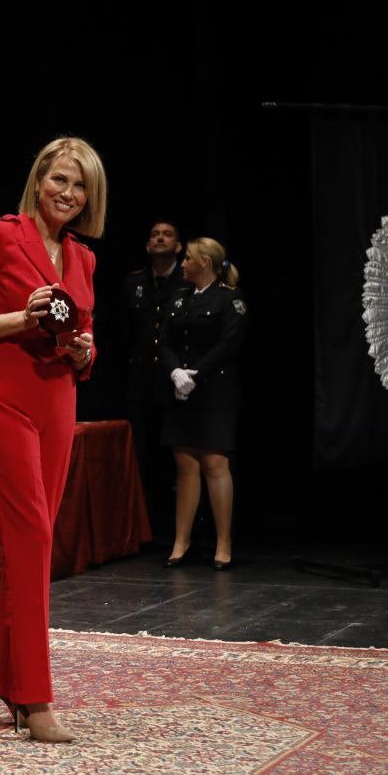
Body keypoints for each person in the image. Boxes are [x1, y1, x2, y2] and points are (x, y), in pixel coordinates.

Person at [0, 137, 105, 743]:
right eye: (60, 179)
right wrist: (23, 320)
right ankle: (36, 699)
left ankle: (7, 686)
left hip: (58, 397)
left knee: (34, 544)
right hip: (3, 394)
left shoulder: (83, 259)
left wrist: (84, 348)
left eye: (80, 185)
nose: (68, 193)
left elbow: (83, 336)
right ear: (39, 179)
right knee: (32, 535)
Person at [160, 237, 245, 570]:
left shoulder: (230, 299)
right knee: (186, 467)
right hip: (181, 390)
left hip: (215, 391)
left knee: (214, 465)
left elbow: (230, 343)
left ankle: (223, 543)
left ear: (205, 262)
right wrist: (175, 373)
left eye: (188, 259)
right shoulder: (179, 299)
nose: (182, 264)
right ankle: (181, 541)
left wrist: (196, 374)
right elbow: (164, 339)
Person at [122, 220, 183, 541]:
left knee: (175, 458)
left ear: (179, 247)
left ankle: (179, 529)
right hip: (141, 381)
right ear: (147, 246)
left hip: (175, 383)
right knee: (142, 456)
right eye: (154, 234)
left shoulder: (186, 281)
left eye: (167, 234)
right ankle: (146, 530)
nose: (159, 238)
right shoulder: (135, 283)